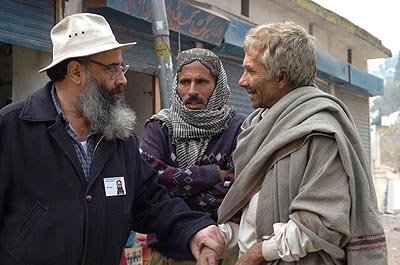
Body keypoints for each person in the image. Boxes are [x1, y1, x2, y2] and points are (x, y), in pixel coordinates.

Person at [0, 13, 227, 265]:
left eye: (122, 67)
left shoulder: (118, 137)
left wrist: (194, 229)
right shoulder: (12, 129)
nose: (123, 79)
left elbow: (150, 200)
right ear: (76, 72)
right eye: (113, 69)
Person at [216, 22, 388, 264]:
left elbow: (324, 223)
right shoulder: (258, 125)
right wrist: (222, 237)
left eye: (251, 71)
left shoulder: (319, 131)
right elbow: (251, 214)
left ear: (281, 77)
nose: (242, 81)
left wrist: (258, 253)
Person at [140, 47, 245, 265]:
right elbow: (149, 183)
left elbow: (238, 190)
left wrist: (175, 193)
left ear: (217, 85)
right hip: (165, 254)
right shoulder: (160, 126)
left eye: (202, 82)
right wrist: (212, 174)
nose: (192, 90)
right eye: (185, 82)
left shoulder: (238, 128)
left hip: (220, 254)